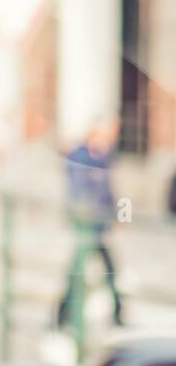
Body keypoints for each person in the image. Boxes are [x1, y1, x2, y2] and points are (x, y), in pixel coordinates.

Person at [56, 117, 124, 331]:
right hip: (87, 224)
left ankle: (117, 314)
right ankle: (63, 317)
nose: (113, 138)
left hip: (99, 224)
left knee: (107, 268)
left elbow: (107, 191)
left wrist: (113, 215)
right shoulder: (81, 157)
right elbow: (80, 192)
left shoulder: (104, 158)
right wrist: (89, 213)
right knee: (78, 271)